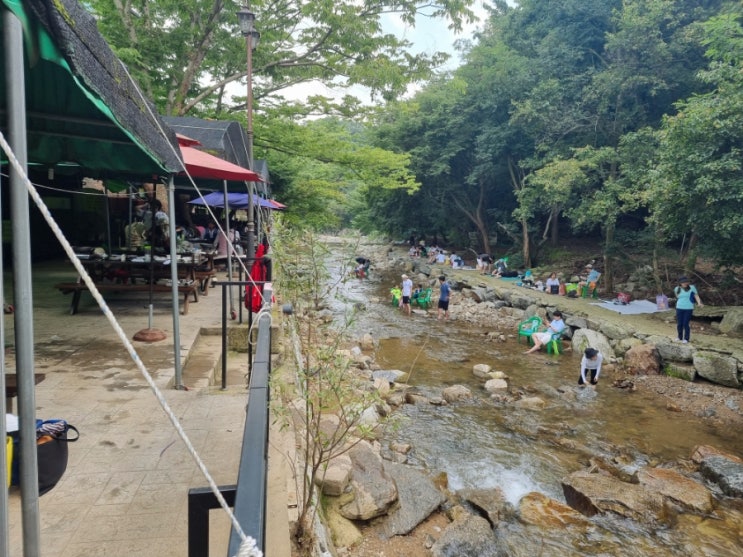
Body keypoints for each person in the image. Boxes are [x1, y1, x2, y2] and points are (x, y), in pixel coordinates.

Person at [674, 276, 704, 343]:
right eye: (683, 282)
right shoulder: (676, 289)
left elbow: (696, 295)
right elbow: (677, 297)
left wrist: (699, 303)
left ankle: (686, 338)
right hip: (679, 307)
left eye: (686, 282)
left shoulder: (692, 287)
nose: (685, 283)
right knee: (679, 324)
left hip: (688, 308)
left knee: (685, 323)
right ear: (680, 283)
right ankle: (679, 337)